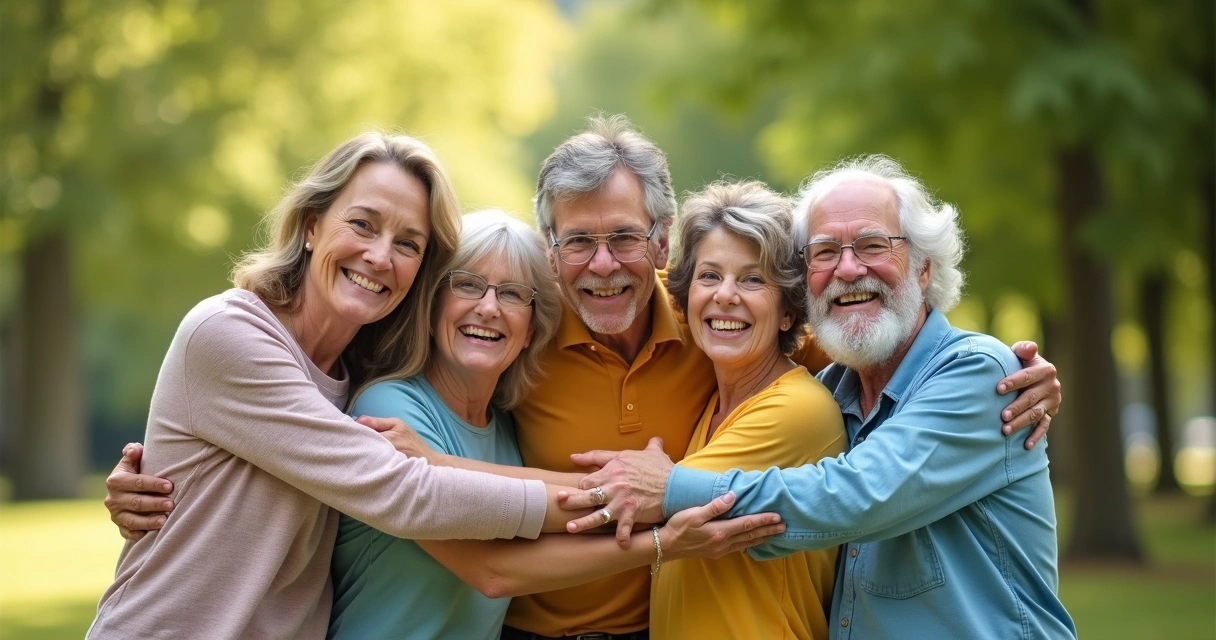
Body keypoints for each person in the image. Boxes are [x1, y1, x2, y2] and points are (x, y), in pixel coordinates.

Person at [106, 116, 1064, 639]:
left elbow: (863, 351)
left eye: (621, 241)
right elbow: (292, 405)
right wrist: (164, 469)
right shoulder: (508, 334)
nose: (600, 266)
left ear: (659, 241)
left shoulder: (722, 329)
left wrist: (1001, 367)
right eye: (574, 245)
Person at [568, 155, 1078, 639]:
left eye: (873, 246)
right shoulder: (838, 388)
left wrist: (672, 486)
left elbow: (854, 496)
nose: (849, 269)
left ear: (923, 269)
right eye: (826, 252)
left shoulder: (980, 376)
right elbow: (662, 290)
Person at [87, 134, 559, 640]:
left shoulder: (362, 372)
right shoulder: (230, 332)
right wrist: (621, 494)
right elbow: (404, 492)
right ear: (311, 224)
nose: (380, 256)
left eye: (407, 244)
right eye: (362, 224)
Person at [328, 210, 783, 640]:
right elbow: (492, 570)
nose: (488, 308)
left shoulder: (505, 427)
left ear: (531, 328)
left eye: (511, 293)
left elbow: (531, 501)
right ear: (432, 304)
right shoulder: (389, 410)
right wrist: (663, 525)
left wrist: (659, 490)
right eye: (468, 286)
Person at [647, 181, 845, 639]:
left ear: (788, 312)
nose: (725, 295)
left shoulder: (798, 410)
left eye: (753, 279)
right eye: (709, 276)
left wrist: (446, 475)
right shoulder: (715, 405)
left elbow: (638, 496)